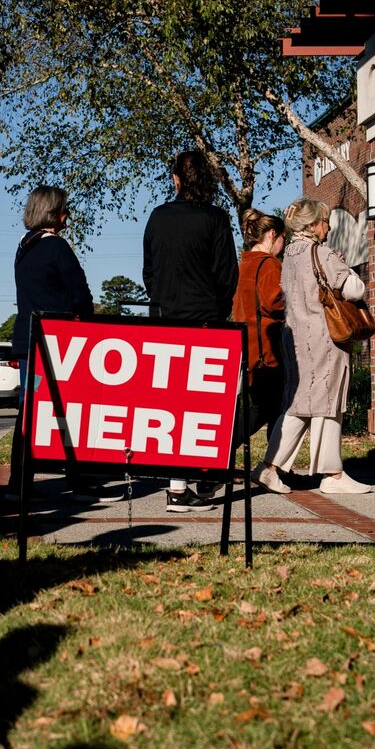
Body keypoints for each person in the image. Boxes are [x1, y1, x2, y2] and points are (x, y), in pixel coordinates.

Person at [253, 198, 372, 495]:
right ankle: (332, 474)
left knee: (301, 403)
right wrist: (343, 265)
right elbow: (355, 289)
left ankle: (270, 467)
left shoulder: (289, 256)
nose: (328, 226)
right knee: (329, 402)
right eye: (325, 220)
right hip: (325, 338)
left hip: (295, 338)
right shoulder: (323, 253)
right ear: (313, 224)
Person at [142, 150, 238, 512]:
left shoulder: (158, 217)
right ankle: (201, 476)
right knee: (204, 406)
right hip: (205, 319)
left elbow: (148, 269)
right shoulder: (216, 219)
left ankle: (177, 486)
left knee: (170, 405)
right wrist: (218, 310)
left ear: (175, 179)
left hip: (166, 317)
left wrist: (163, 297)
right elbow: (227, 273)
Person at [6, 186, 97, 502]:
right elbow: (80, 294)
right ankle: (77, 478)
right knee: (70, 410)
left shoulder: (23, 247)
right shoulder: (57, 247)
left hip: (26, 339)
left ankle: (18, 482)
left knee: (29, 411)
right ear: (53, 212)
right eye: (63, 209)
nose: (67, 214)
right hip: (58, 342)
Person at [231, 209, 287, 450]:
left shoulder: (242, 265)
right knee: (268, 407)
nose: (283, 245)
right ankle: (227, 445)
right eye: (283, 239)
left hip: (246, 346)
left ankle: (274, 464)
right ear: (273, 234)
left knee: (266, 406)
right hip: (267, 348)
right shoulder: (270, 265)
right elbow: (274, 302)